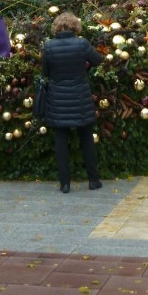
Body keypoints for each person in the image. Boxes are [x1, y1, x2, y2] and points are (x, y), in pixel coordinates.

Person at [41, 11, 103, 193]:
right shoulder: (82, 44)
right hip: (80, 97)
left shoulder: (49, 46)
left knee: (61, 140)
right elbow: (98, 60)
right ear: (75, 26)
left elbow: (45, 72)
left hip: (58, 99)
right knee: (86, 138)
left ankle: (65, 184)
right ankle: (93, 180)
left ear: (56, 28)